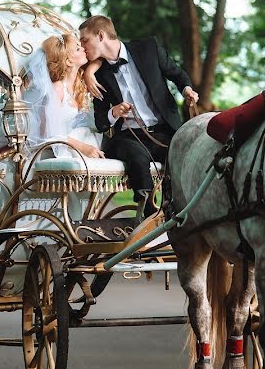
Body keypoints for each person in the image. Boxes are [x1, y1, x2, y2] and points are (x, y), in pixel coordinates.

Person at [78, 15, 199, 217]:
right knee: (136, 155)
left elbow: (178, 75)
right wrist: (113, 112)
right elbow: (100, 122)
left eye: (84, 40)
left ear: (101, 36)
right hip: (129, 137)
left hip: (164, 132)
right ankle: (149, 213)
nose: (82, 46)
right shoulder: (97, 75)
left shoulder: (148, 48)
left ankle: (179, 208)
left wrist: (187, 90)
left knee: (183, 155)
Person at [22, 33, 106, 159]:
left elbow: (102, 58)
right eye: (78, 49)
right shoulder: (57, 88)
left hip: (80, 141)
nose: (83, 48)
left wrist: (89, 72)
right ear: (69, 61)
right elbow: (47, 133)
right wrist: (83, 147)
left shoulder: (80, 84)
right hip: (59, 148)